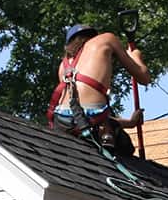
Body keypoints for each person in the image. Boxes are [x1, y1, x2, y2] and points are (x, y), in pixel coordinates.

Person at [47, 23, 150, 154]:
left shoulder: (63, 66)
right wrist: (136, 56)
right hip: (93, 123)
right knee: (126, 148)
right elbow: (144, 78)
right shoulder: (107, 39)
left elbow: (79, 115)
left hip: (62, 123)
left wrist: (129, 123)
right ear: (94, 36)